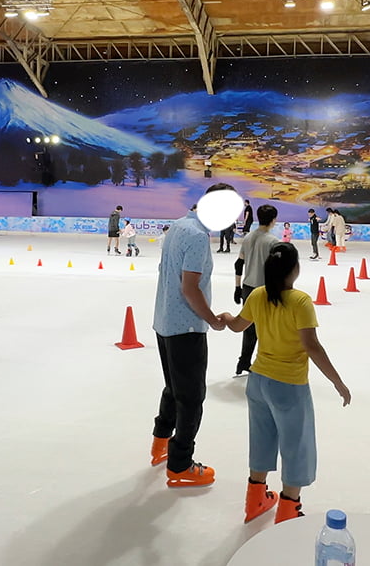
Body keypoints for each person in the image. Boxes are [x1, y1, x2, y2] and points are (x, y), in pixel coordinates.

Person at [223, 243, 351, 524]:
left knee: (262, 438)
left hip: (258, 382)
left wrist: (225, 317)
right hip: (288, 386)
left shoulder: (258, 295)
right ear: (294, 269)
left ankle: (255, 500)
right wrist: (337, 382)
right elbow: (311, 346)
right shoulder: (300, 301)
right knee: (296, 445)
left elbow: (236, 326)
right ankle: (288, 509)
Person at [150, 183, 234, 489]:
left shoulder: (178, 226)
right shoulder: (198, 236)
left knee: (173, 388)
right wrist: (212, 319)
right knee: (191, 397)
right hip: (186, 327)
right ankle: (180, 463)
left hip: (165, 322)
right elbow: (190, 288)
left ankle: (161, 444)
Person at [234, 204, 281, 376]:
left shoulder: (248, 238)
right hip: (264, 290)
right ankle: (265, 364)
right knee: (267, 329)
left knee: (249, 328)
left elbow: (239, 264)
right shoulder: (273, 242)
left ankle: (243, 361)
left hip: (247, 288)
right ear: (273, 220)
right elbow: (277, 271)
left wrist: (237, 287)